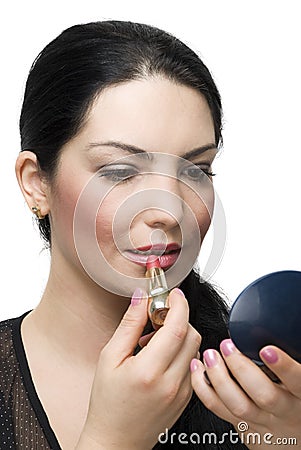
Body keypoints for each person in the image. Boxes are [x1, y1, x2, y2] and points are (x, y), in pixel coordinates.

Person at [0, 20, 300, 450]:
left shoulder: (264, 389)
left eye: (196, 170)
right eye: (120, 172)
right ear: (35, 183)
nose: (168, 210)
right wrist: (113, 440)